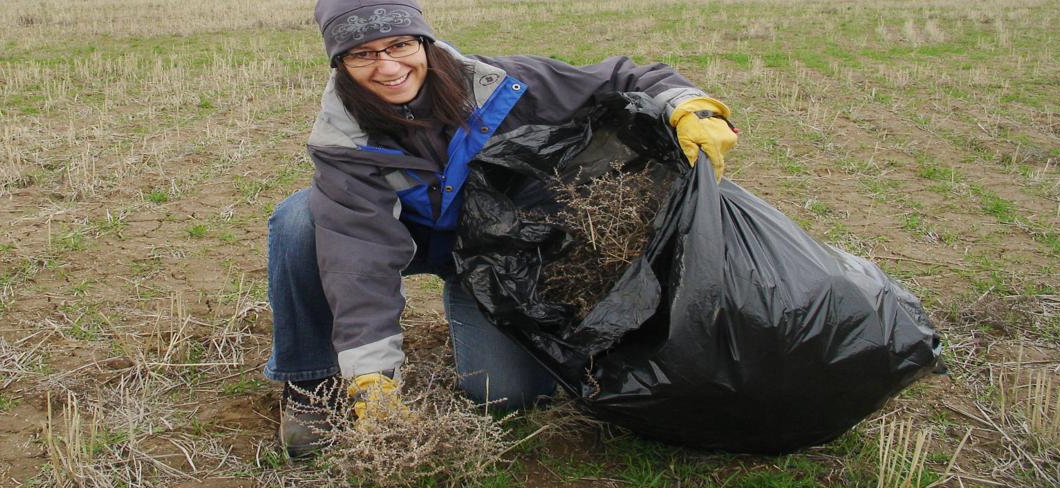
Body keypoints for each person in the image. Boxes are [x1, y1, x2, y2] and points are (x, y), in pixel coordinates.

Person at [266, 1, 739, 457]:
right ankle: (311, 382)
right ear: (339, 63)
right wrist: (372, 376)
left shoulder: (502, 86)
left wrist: (690, 106)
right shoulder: (343, 139)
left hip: (495, 254)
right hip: (404, 243)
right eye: (362, 54)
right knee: (300, 220)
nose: (387, 67)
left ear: (425, 42)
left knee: (506, 396)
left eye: (400, 45)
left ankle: (470, 308)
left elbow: (619, 77)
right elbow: (357, 258)